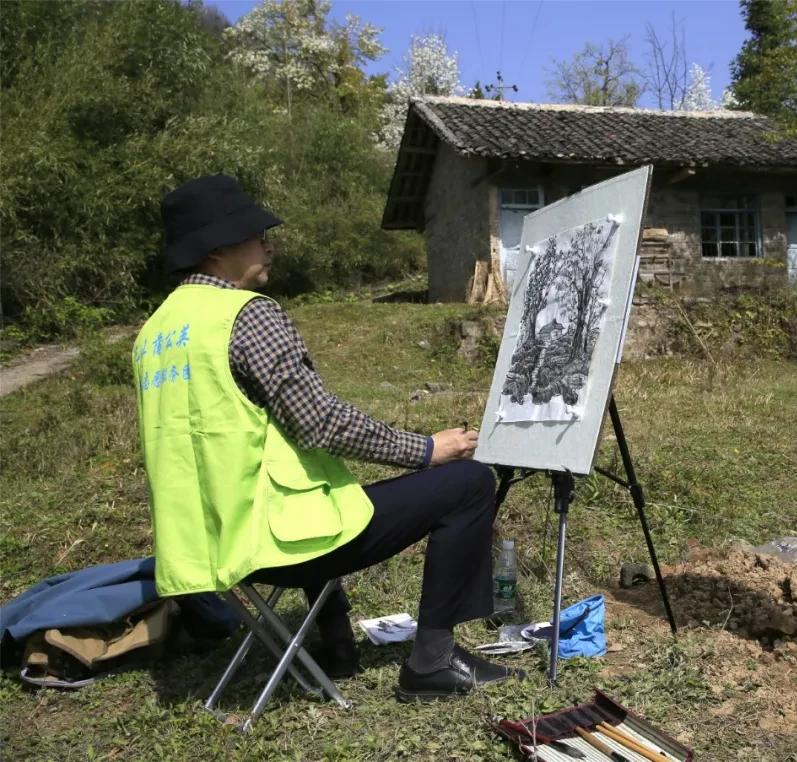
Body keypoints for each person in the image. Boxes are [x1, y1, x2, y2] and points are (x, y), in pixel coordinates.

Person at [133, 174, 521, 701]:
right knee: (471, 482)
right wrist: (427, 450)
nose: (268, 244)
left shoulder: (154, 334)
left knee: (321, 493)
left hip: (212, 549)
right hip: (279, 544)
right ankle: (432, 661)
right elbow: (320, 423)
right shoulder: (245, 316)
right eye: (256, 235)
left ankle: (337, 642)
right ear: (217, 249)